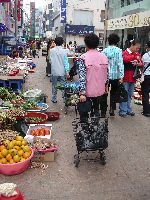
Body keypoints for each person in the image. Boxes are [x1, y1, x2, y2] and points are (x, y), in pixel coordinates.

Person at [78, 33, 108, 122]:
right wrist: (106, 86)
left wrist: (82, 93)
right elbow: (107, 74)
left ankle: (86, 130)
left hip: (87, 91)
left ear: (86, 44)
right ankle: (95, 127)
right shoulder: (104, 57)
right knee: (96, 109)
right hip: (100, 90)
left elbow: (82, 76)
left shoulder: (83, 57)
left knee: (84, 112)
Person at [119, 39, 143, 117]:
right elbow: (125, 59)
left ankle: (128, 109)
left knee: (130, 94)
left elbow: (141, 63)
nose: (137, 50)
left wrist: (138, 63)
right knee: (124, 94)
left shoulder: (136, 54)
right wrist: (134, 57)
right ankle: (123, 111)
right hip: (125, 77)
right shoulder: (124, 52)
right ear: (132, 45)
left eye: (139, 48)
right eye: (137, 48)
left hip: (133, 77)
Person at [102, 33, 124, 117]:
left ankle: (103, 111)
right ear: (117, 41)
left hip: (106, 75)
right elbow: (120, 64)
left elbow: (103, 64)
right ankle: (112, 109)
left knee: (104, 93)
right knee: (114, 93)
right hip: (115, 76)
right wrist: (121, 76)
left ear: (108, 41)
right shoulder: (119, 50)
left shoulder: (104, 51)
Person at [50, 37, 70, 103]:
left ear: (55, 42)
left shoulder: (51, 50)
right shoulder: (64, 51)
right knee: (63, 86)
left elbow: (50, 61)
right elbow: (66, 62)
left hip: (54, 71)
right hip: (62, 71)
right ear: (62, 43)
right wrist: (67, 71)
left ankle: (54, 98)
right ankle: (64, 99)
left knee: (54, 85)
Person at [141, 41, 150, 117]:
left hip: (146, 76)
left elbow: (142, 65)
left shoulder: (145, 55)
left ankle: (146, 111)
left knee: (145, 94)